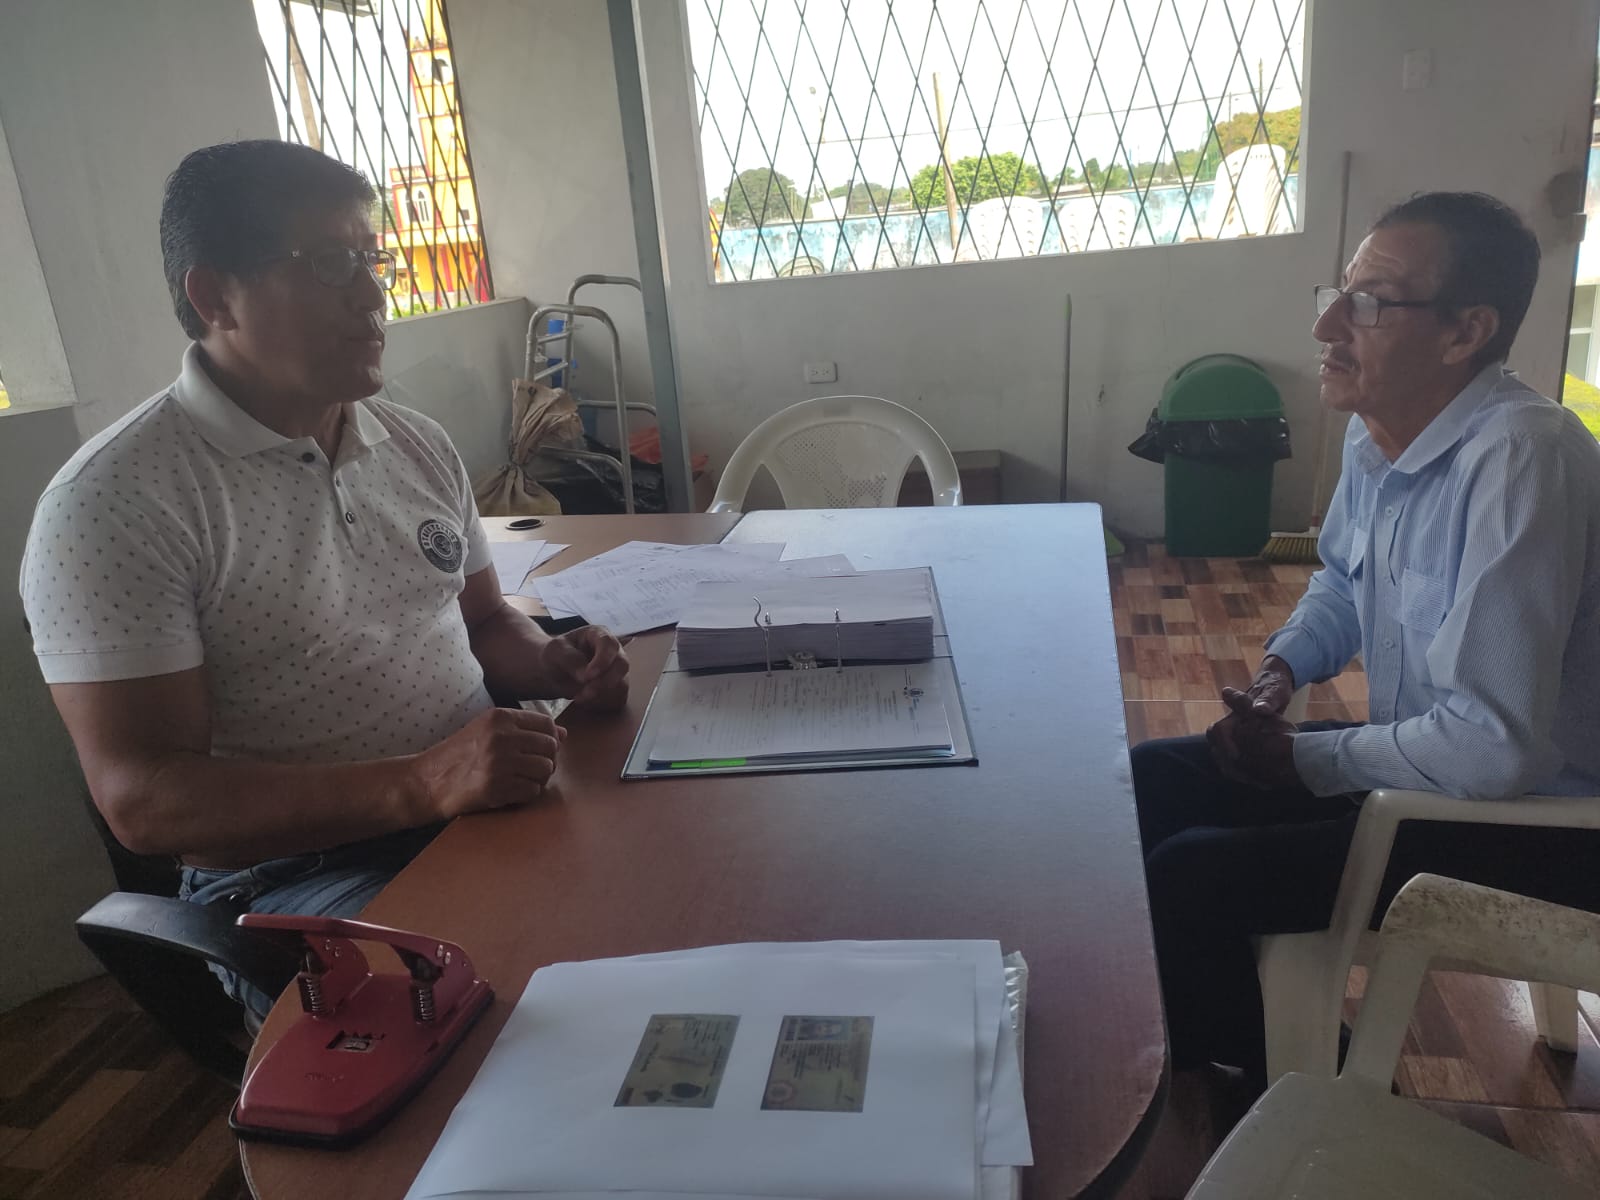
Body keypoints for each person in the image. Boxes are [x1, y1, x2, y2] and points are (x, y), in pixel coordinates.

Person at [20, 140, 629, 1017]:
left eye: (372, 260)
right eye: (331, 263)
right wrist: (423, 782)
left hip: (490, 802)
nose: (375, 294)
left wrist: (551, 663)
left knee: (678, 895)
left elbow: (485, 622)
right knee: (527, 1014)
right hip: (301, 875)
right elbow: (145, 801)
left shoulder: (415, 443)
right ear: (214, 295)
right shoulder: (115, 502)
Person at [1132, 191, 1600, 1095]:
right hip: (1431, 780)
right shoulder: (1380, 437)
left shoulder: (1521, 461)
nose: (1327, 326)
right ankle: (1232, 1042)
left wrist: (1304, 762)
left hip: (1542, 824)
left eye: (1370, 304)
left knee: (1194, 876)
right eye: (1338, 295)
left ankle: (1295, 1089)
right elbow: (1344, 582)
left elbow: (1492, 749)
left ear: (1466, 332)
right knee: (1153, 781)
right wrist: (1279, 674)